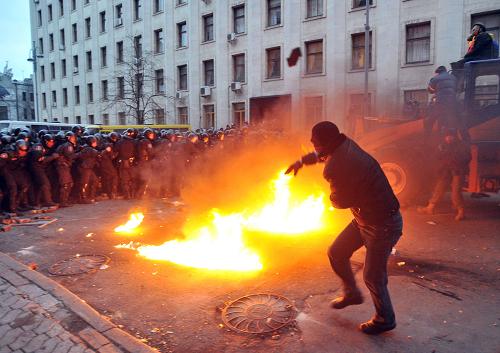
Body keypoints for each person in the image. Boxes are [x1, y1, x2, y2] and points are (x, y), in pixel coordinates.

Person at [286, 121, 403, 335]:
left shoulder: (337, 165)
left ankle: (385, 319)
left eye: (316, 141)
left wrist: (331, 197)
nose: (312, 142)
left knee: (373, 276)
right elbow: (323, 154)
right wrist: (302, 161)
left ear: (328, 141)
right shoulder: (344, 143)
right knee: (336, 252)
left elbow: (340, 202)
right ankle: (352, 293)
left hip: (383, 224)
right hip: (364, 219)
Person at [417, 129, 471, 221]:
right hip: (446, 171)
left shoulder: (461, 146)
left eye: (450, 136)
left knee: (456, 193)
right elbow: (437, 156)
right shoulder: (443, 145)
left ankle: (461, 212)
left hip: (458, 171)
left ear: (454, 137)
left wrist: (454, 159)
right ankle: (430, 208)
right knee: (439, 188)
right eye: (447, 136)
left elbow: (467, 157)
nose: (448, 138)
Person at [426, 65, 461, 132]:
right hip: (452, 102)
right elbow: (457, 89)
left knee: (431, 118)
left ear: (439, 72)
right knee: (456, 119)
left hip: (440, 102)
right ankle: (460, 136)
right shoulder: (453, 77)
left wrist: (435, 90)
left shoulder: (436, 78)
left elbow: (430, 90)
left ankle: (427, 136)